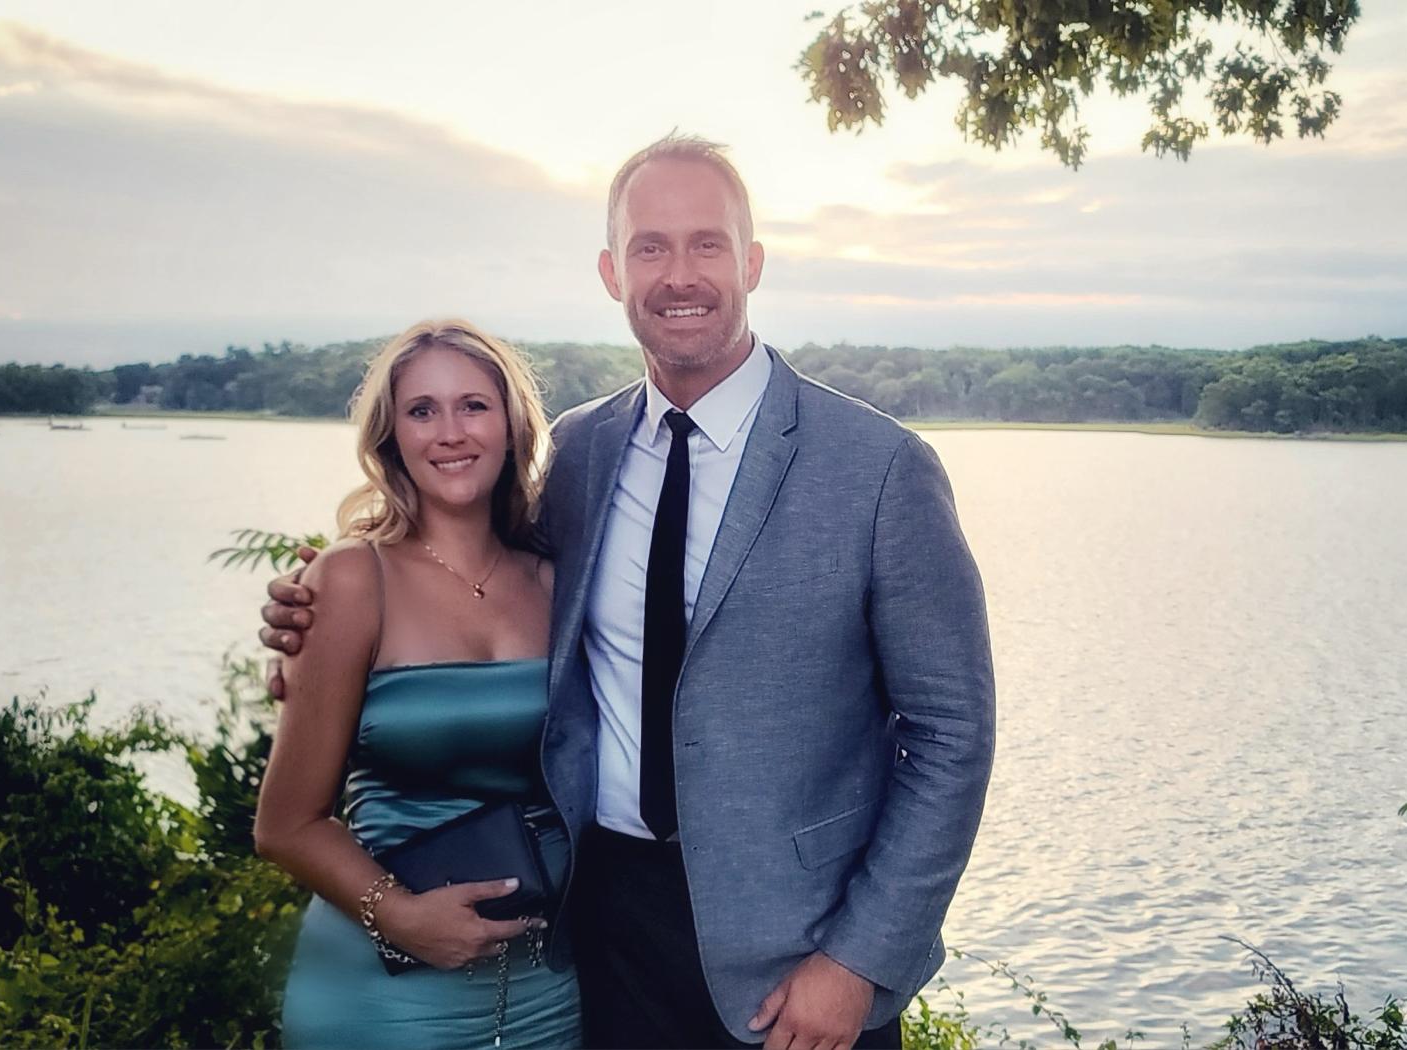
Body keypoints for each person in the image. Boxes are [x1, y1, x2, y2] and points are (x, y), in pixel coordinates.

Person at [263, 134, 995, 1050]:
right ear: (613, 273)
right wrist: (311, 616)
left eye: (706, 243)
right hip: (601, 942)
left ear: (752, 262)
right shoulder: (580, 453)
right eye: (650, 247)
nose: (678, 275)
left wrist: (859, 961)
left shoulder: (880, 468)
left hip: (801, 958)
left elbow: (951, 734)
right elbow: (460, 583)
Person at [252, 319, 581, 1049]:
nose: (450, 432)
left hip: (552, 986)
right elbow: (284, 824)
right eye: (422, 410)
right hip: (388, 989)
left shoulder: (559, 584)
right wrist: (400, 918)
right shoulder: (350, 578)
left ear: (511, 426)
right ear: (391, 436)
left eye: (474, 406)